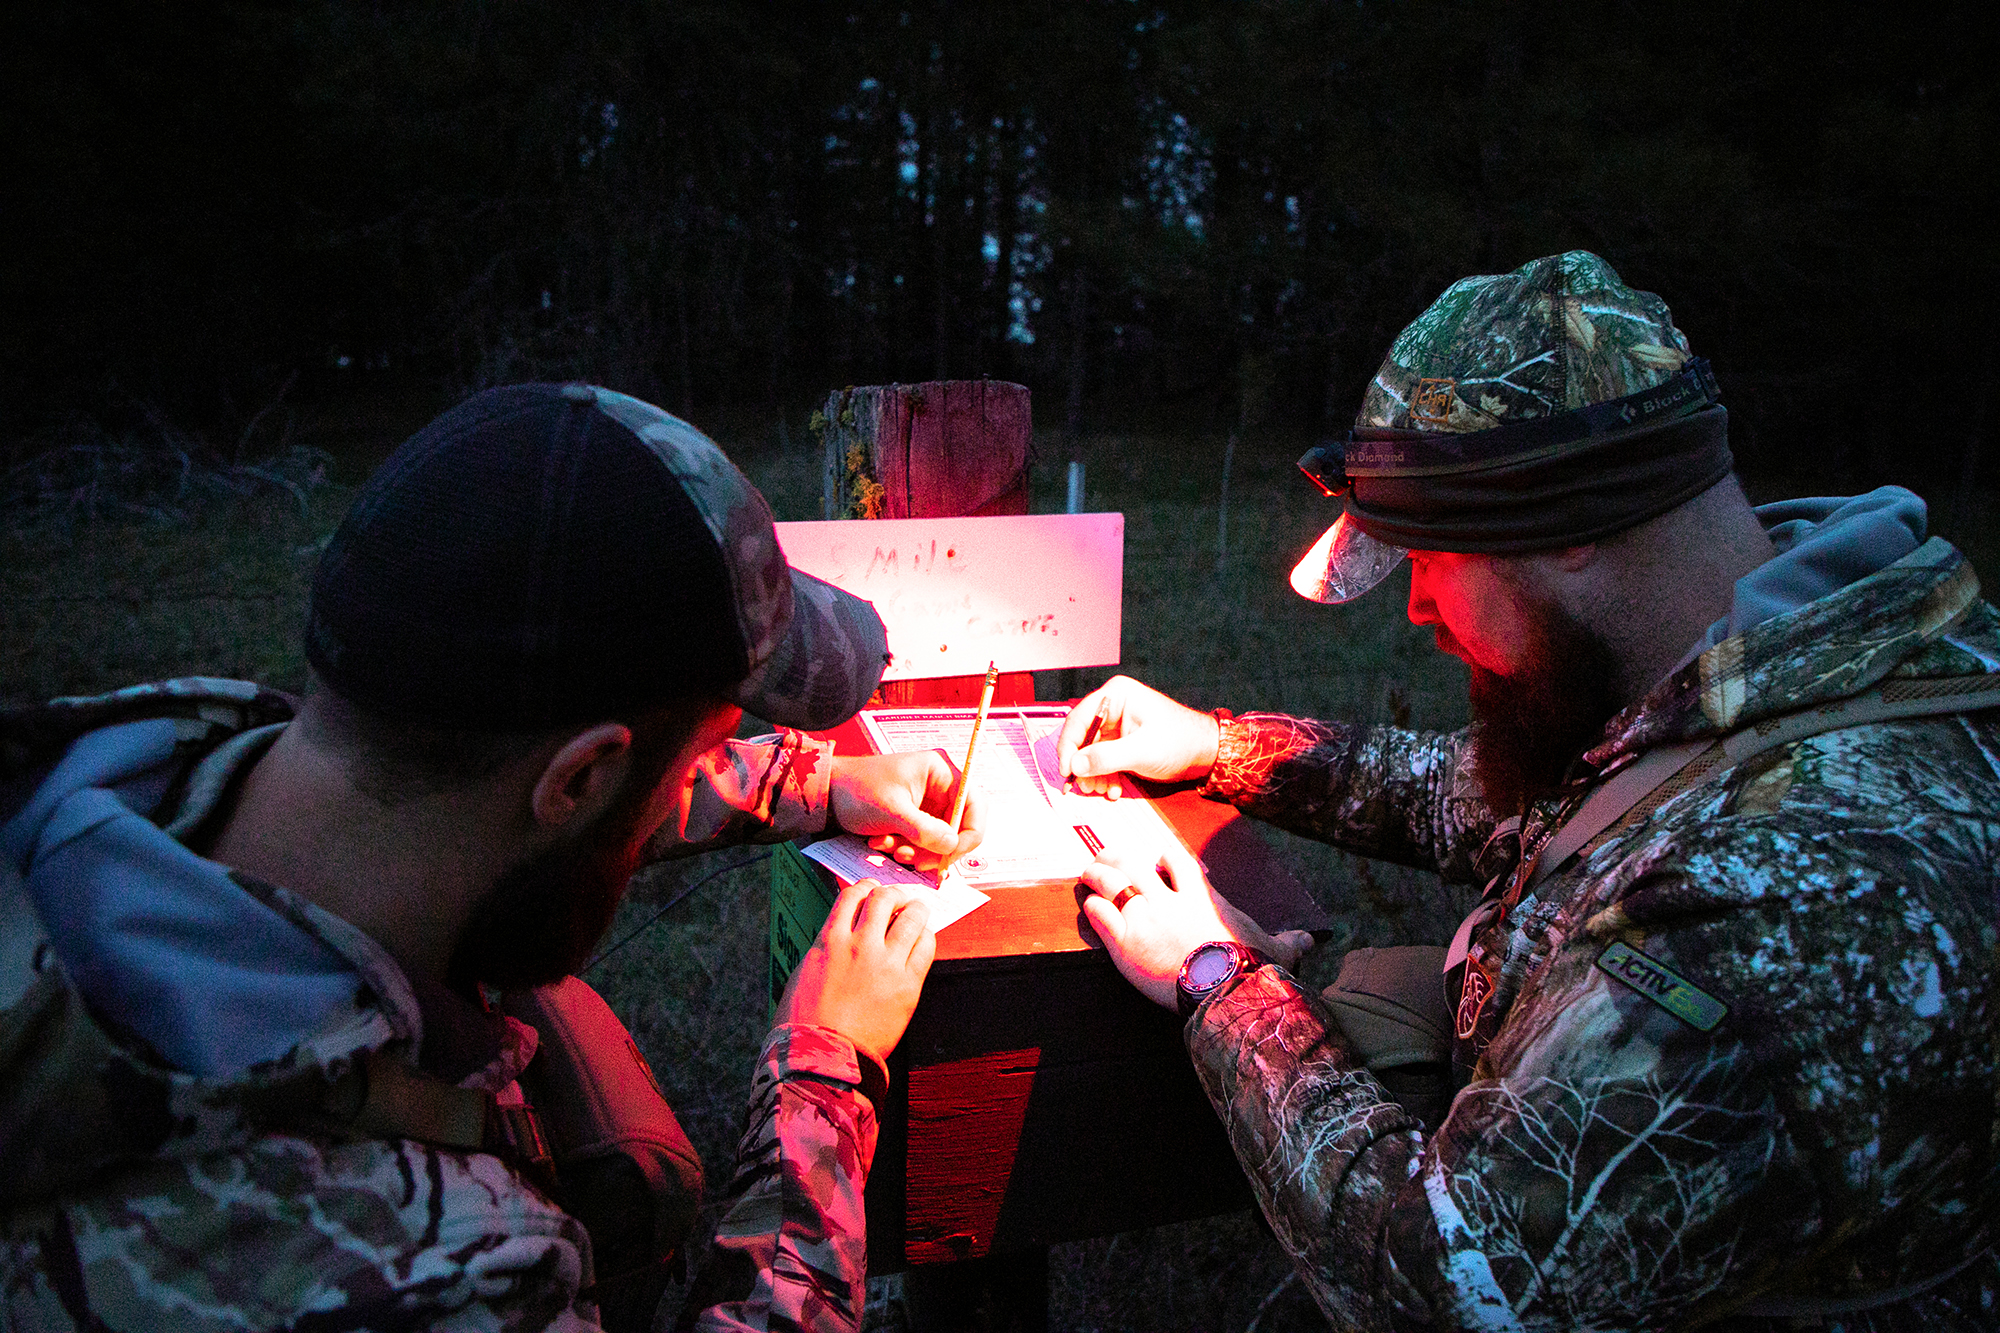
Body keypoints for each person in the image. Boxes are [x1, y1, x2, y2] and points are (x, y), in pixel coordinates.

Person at [1056, 252, 2000, 1329]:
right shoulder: (1748, 661)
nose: (1413, 608)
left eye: (1430, 559)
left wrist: (1215, 976)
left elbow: (1450, 1283)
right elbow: (1502, 801)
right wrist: (1220, 747)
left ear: (1571, 530)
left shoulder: (1791, 883)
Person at [0, 382, 982, 1332]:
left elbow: (511, 789)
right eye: (693, 757)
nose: (700, 773)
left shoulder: (136, 780)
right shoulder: (424, 1277)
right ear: (579, 779)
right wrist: (819, 1076)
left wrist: (803, 783)